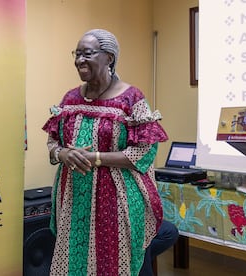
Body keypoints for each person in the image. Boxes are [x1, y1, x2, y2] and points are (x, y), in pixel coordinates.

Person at [42, 29, 168, 276]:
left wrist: (95, 158)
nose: (79, 60)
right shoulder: (69, 98)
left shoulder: (131, 98)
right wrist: (63, 154)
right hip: (74, 200)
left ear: (109, 58)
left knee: (112, 262)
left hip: (116, 200)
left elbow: (143, 153)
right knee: (73, 263)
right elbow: (52, 144)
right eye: (76, 54)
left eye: (86, 54)